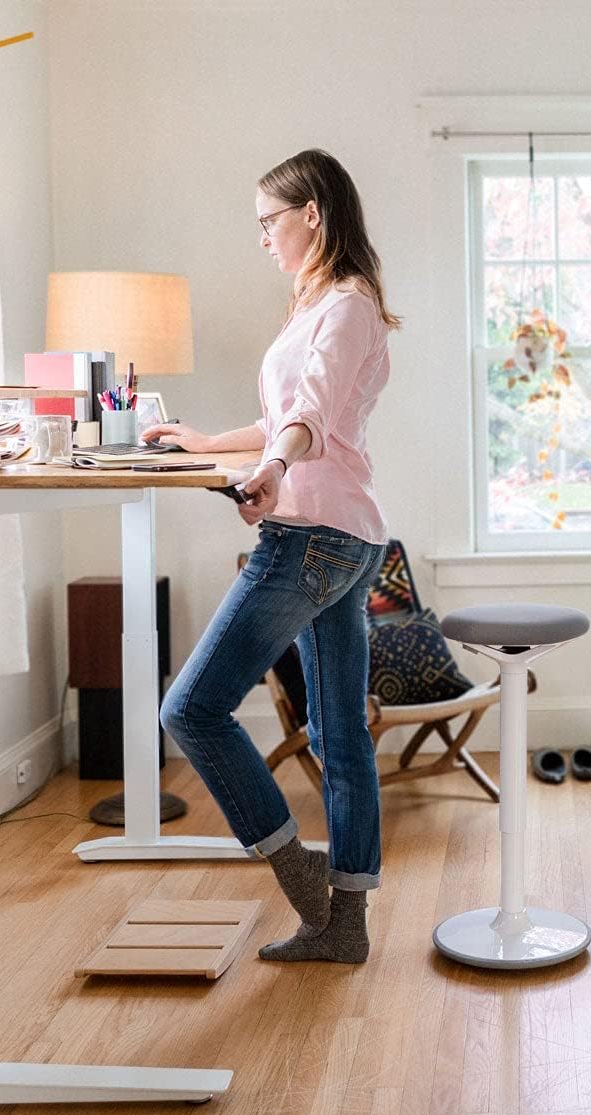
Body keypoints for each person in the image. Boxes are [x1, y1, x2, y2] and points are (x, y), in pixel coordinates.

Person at [143, 149, 399, 964]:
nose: (262, 238)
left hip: (315, 536)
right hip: (346, 537)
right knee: (339, 737)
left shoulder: (346, 306)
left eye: (269, 221)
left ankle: (308, 891)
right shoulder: (322, 303)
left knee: (189, 710)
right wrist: (209, 443)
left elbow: (311, 417)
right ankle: (345, 929)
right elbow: (290, 413)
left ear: (311, 215)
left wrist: (275, 469)